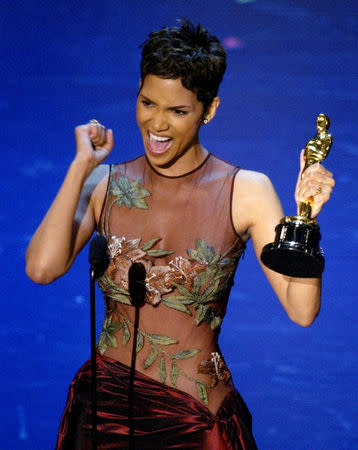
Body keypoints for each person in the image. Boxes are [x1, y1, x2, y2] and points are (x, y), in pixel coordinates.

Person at [25, 19, 335, 450]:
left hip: (196, 425)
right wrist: (81, 168)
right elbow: (41, 268)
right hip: (103, 418)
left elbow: (302, 310)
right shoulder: (105, 184)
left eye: (178, 111)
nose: (158, 125)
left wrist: (307, 220)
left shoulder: (247, 191)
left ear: (209, 110)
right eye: (148, 103)